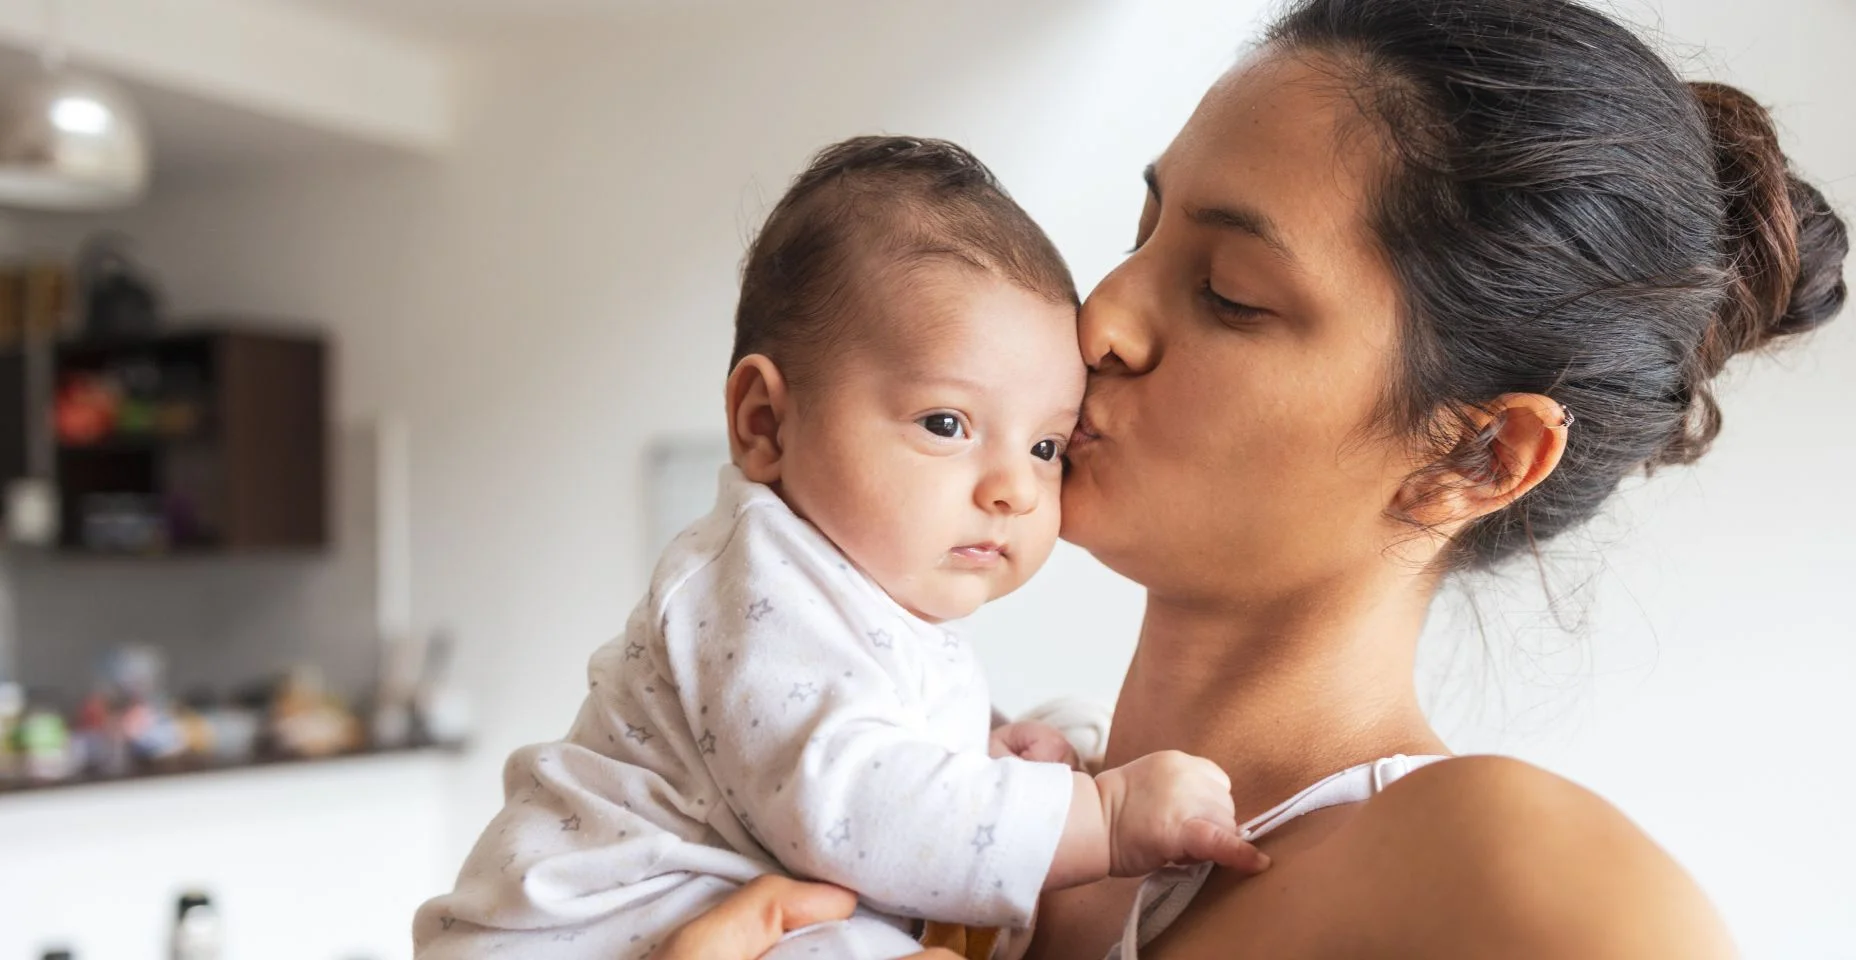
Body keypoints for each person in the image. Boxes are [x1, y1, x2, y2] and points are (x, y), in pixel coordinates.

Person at [665, 0, 1850, 957]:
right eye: (1140, 231)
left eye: (1227, 291)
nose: (1102, 316)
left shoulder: (1483, 868)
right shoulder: (948, 816)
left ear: (1476, 454)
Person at [413, 136, 1268, 960]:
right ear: (766, 422)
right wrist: (1103, 818)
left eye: (1046, 446)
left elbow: (869, 753)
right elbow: (854, 802)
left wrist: (1000, 748)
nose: (1014, 487)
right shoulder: (756, 586)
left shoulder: (859, 595)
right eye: (947, 424)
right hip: (577, 932)